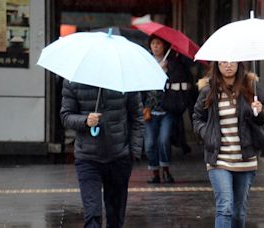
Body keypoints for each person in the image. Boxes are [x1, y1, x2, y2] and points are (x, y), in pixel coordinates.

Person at [193, 61, 264, 228]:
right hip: (218, 159)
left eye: (232, 61)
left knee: (238, 212)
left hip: (245, 160)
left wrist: (259, 111)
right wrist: (207, 134)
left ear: (238, 64)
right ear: (217, 65)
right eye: (223, 62)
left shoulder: (252, 88)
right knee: (225, 207)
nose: (228, 65)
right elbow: (197, 118)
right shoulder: (208, 90)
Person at [60, 81, 144, 228]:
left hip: (119, 157)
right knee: (92, 214)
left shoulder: (125, 80)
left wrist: (134, 152)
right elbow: (66, 116)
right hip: (87, 158)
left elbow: (137, 117)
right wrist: (85, 121)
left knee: (115, 216)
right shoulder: (72, 82)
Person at [143, 35, 191, 183]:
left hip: (167, 110)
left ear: (164, 46)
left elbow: (181, 83)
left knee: (164, 140)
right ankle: (155, 173)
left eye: (159, 43)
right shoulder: (145, 62)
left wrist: (167, 73)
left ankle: (166, 171)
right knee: (150, 143)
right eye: (153, 44)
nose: (156, 46)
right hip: (150, 111)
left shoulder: (172, 63)